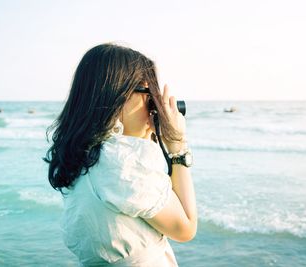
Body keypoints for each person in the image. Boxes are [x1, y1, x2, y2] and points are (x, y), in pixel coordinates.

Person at [44, 43, 197, 266]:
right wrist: (177, 144)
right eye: (148, 93)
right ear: (118, 96)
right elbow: (186, 228)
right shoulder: (122, 163)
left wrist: (144, 135)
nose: (153, 105)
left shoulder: (83, 156)